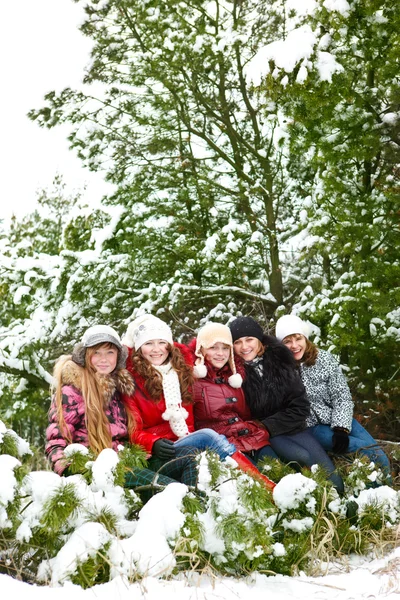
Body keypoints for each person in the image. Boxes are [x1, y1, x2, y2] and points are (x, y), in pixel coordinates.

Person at [121, 314, 276, 490]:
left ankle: (256, 490)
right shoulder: (131, 382)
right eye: (149, 343)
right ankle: (266, 487)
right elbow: (133, 431)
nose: (157, 349)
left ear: (170, 346)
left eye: (161, 343)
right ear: (139, 348)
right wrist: (153, 443)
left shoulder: (182, 373)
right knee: (207, 436)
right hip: (159, 451)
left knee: (202, 453)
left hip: (184, 443)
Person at [46, 324, 198, 496]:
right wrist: (74, 473)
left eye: (110, 352)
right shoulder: (72, 392)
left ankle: (198, 513)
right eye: (97, 352)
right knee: (171, 489)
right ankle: (188, 507)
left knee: (189, 457)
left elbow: (134, 430)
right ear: (86, 356)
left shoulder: (121, 388)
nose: (104, 359)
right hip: (98, 468)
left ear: (118, 356)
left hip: (129, 461)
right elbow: (56, 442)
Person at [229, 316, 344, 494]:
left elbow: (300, 405)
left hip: (293, 426)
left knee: (333, 479)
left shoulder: (279, 360)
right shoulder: (235, 374)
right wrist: (263, 426)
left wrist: (270, 423)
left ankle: (339, 507)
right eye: (238, 342)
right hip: (265, 433)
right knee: (301, 457)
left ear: (259, 341)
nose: (245, 347)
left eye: (249, 339)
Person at [275, 314, 391, 478]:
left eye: (298, 338)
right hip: (311, 428)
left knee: (379, 456)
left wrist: (341, 428)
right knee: (368, 455)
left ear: (305, 338)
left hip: (338, 417)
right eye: (287, 341)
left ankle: (388, 493)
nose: (294, 345)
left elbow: (341, 394)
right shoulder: (279, 370)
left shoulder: (323, 359)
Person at [190, 322, 279, 469]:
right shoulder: (192, 381)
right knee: (260, 483)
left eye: (225, 348)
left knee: (281, 473)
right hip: (222, 447)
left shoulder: (235, 376)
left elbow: (245, 413)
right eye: (213, 347)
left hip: (251, 438)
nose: (220, 353)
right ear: (201, 350)